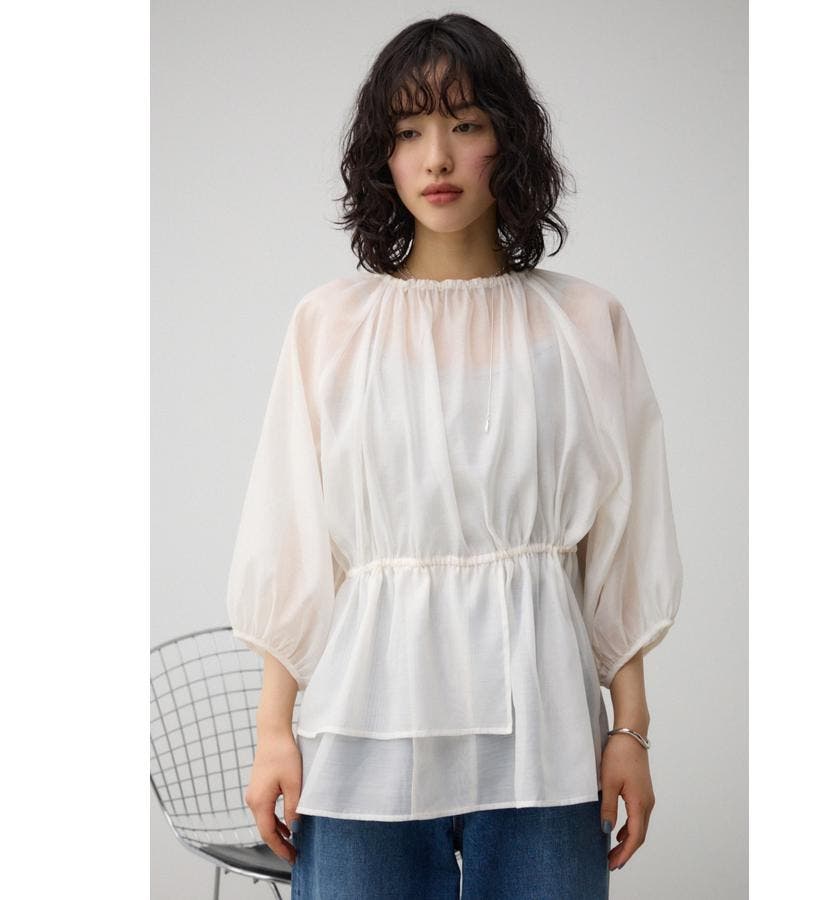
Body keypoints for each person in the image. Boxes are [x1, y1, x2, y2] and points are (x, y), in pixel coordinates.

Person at [226, 13, 683, 899]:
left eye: (465, 124)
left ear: (509, 143)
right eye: (408, 132)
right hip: (363, 735)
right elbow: (293, 539)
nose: (436, 157)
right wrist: (273, 731)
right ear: (383, 158)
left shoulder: (584, 323)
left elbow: (621, 545)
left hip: (547, 743)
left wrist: (630, 730)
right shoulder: (331, 326)